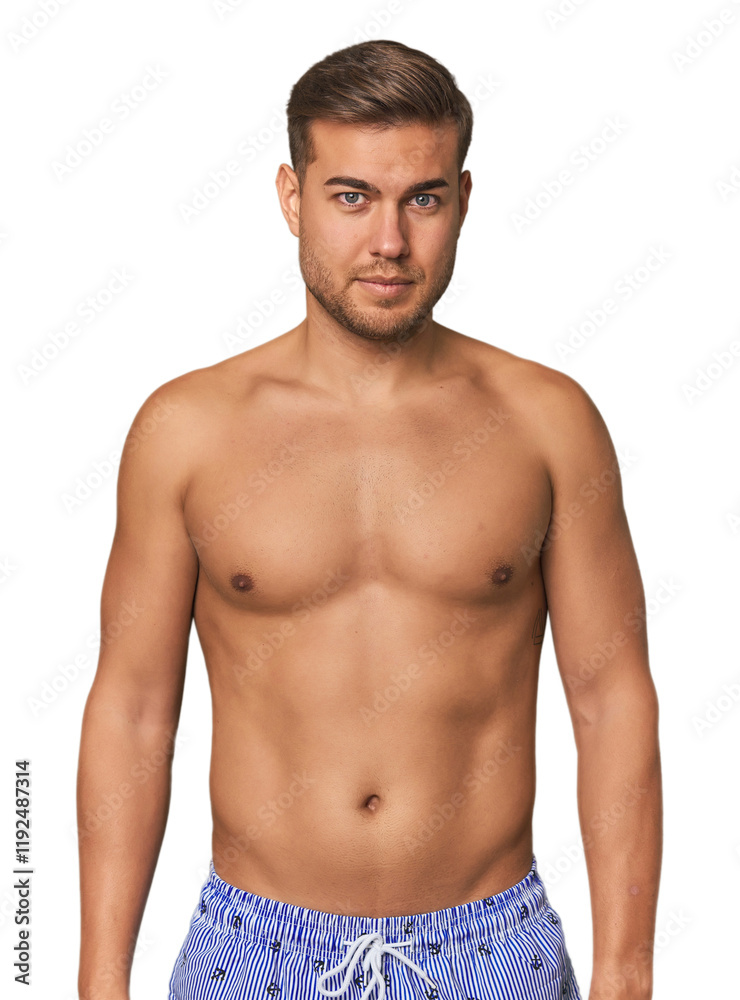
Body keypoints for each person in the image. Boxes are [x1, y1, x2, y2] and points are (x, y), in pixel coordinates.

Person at [76, 39, 662, 1000]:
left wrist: (626, 974)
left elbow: (611, 702)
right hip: (253, 945)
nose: (390, 241)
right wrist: (100, 982)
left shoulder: (547, 423)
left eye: (421, 199)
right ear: (291, 197)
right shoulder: (187, 432)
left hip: (490, 945)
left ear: (463, 201)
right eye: (352, 196)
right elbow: (134, 714)